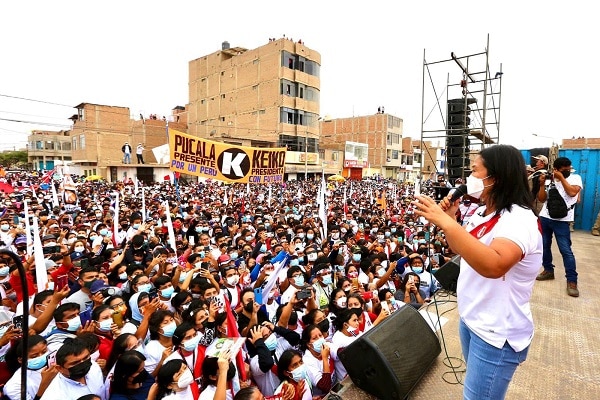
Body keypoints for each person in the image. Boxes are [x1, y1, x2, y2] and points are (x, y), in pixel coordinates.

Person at [412, 144, 542, 400]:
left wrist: (445, 222)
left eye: (474, 171)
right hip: (473, 319)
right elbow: (463, 249)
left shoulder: (519, 220)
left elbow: (494, 265)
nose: (468, 178)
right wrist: (451, 220)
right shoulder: (484, 212)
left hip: (496, 333)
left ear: (495, 178)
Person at [535, 157, 583, 297]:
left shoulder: (575, 178)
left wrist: (561, 178)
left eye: (569, 169)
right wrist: (542, 185)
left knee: (566, 250)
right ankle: (548, 270)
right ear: (555, 169)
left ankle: (572, 281)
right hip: (545, 217)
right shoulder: (549, 179)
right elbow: (542, 199)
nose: (568, 171)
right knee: (544, 246)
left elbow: (572, 193)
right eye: (564, 170)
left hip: (562, 220)